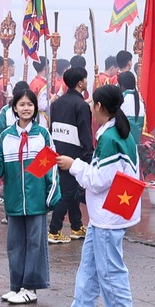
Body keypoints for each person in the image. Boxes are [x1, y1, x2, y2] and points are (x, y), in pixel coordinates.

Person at [49, 84, 142, 307]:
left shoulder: (110, 138)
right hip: (105, 214)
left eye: (92, 103)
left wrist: (74, 165)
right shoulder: (117, 132)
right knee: (89, 266)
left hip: (109, 216)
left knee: (110, 269)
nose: (90, 106)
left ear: (99, 106)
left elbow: (100, 180)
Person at [0, 84, 59, 304]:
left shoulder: (42, 135)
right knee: (15, 245)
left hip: (36, 201)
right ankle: (16, 285)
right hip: (14, 201)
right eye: (22, 104)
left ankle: (30, 288)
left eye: (30, 104)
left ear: (36, 108)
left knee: (35, 244)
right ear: (14, 108)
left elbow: (51, 168)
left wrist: (50, 195)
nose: (26, 108)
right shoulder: (6, 137)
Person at [47, 65, 91, 243]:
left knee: (71, 191)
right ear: (80, 83)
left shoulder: (57, 103)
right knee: (67, 193)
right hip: (74, 155)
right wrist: (88, 155)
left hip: (57, 151)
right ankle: (54, 230)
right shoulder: (82, 105)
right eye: (85, 79)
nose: (87, 81)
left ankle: (76, 226)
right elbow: (85, 133)